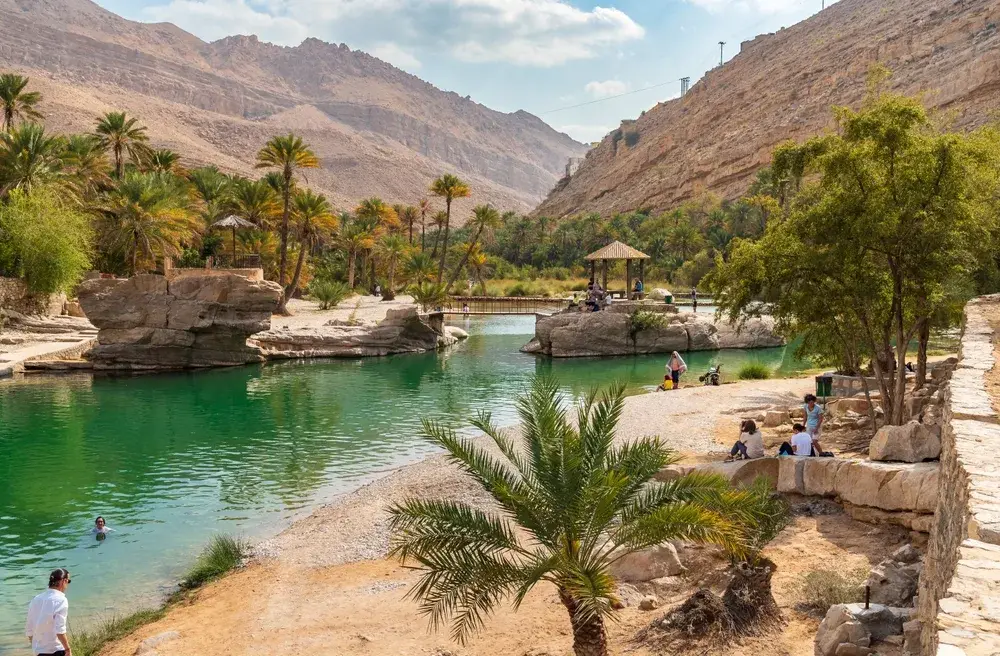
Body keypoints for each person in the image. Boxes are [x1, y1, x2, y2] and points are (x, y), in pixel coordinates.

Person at [25, 568, 71, 656]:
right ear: (63, 581)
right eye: (68, 581)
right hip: (56, 650)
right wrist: (68, 649)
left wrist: (35, 646)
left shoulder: (36, 599)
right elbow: (60, 630)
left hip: (39, 651)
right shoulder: (61, 600)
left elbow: (29, 629)